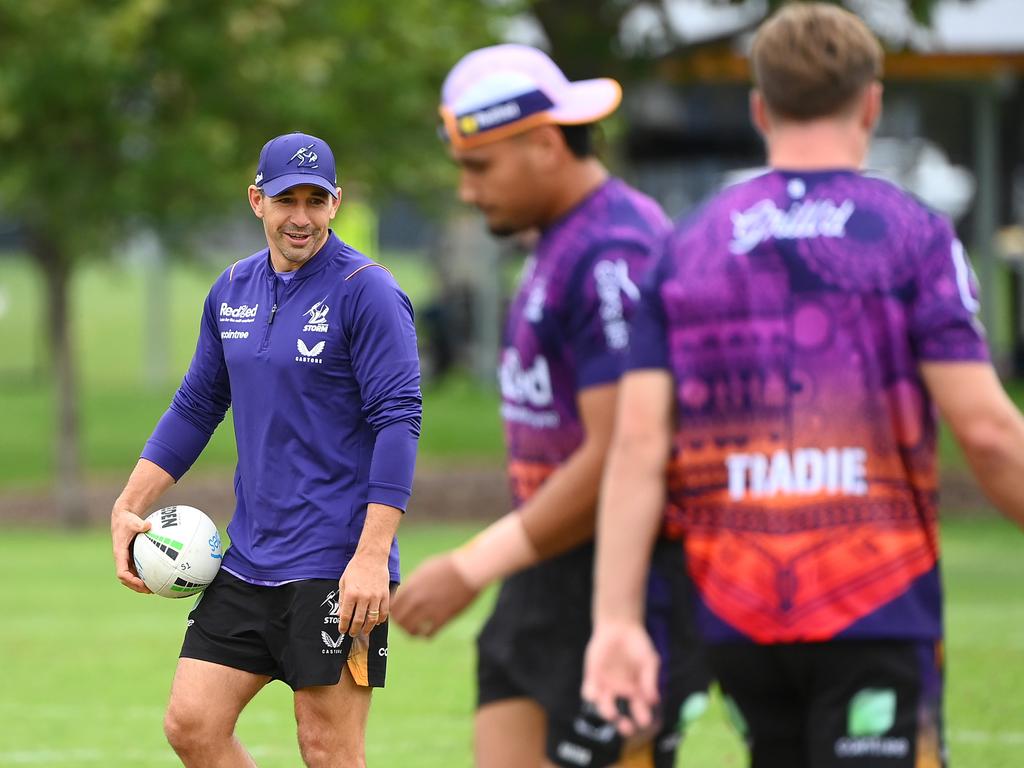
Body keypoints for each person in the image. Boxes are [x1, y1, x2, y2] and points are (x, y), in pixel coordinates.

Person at [582, 4, 1024, 768]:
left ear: (760, 108)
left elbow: (639, 443)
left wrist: (616, 619)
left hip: (738, 612)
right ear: (872, 102)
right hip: (875, 601)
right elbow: (987, 433)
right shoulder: (913, 235)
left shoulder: (687, 245)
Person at [391, 45, 710, 768]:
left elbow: (622, 450)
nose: (467, 193)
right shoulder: (564, 243)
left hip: (626, 578)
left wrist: (473, 563)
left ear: (542, 143)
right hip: (546, 572)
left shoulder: (612, 255)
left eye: (480, 167)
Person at [109, 132, 421, 768]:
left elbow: (399, 421)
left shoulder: (368, 291)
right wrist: (129, 505)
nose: (300, 217)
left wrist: (372, 555)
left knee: (328, 751)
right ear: (257, 201)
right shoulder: (231, 290)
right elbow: (196, 406)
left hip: (336, 566)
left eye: (315, 200)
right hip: (248, 559)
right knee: (192, 725)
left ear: (336, 203)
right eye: (286, 200)